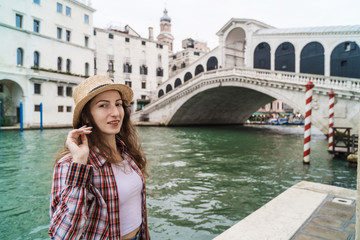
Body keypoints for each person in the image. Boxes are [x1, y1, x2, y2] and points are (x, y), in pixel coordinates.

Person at [49, 75, 150, 240]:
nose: (116, 112)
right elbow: (63, 235)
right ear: (87, 116)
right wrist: (80, 164)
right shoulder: (69, 164)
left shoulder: (127, 153)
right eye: (103, 105)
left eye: (118, 104)